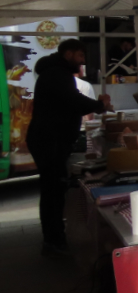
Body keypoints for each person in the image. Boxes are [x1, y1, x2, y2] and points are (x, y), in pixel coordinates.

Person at [27, 39, 112, 255]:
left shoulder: (55, 72)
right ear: (68, 54)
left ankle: (54, 238)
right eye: (80, 56)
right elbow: (74, 101)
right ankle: (53, 241)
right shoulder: (57, 74)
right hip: (49, 141)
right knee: (52, 191)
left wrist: (96, 105)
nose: (83, 61)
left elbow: (72, 100)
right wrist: (99, 105)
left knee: (53, 190)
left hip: (50, 139)